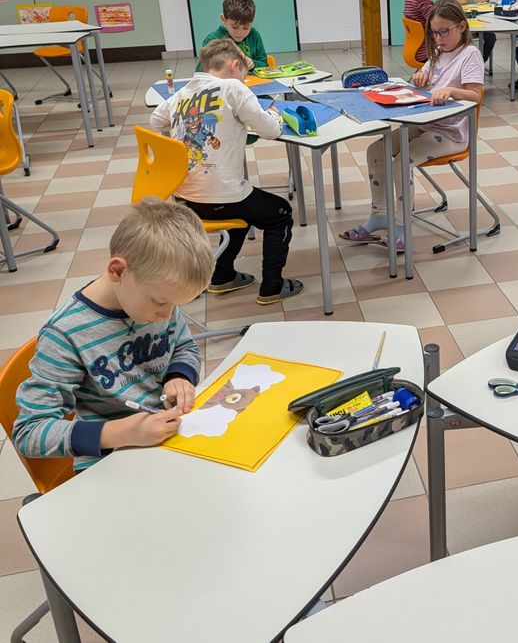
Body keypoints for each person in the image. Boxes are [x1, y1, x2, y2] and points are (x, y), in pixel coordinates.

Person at [12, 199, 213, 471]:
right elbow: (30, 433)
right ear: (118, 271)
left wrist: (178, 376)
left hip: (167, 440)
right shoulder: (66, 333)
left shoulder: (157, 299)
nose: (167, 317)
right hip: (110, 460)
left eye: (175, 306)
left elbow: (183, 347)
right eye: (161, 302)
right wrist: (121, 432)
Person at [150, 38, 302, 303]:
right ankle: (272, 286)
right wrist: (275, 113)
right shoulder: (233, 87)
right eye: (245, 73)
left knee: (242, 212)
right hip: (224, 198)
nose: (245, 79)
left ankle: (222, 277)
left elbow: (156, 120)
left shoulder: (183, 93)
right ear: (235, 65)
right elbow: (270, 130)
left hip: (185, 201)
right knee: (280, 214)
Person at [340, 0, 485, 251]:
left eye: (444, 32)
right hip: (426, 124)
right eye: (434, 33)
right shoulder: (439, 54)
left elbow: (476, 95)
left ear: (462, 27)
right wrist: (419, 78)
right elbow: (425, 79)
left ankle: (402, 226)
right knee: (375, 151)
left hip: (450, 133)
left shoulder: (469, 54)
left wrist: (451, 90)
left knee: (400, 163)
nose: (438, 38)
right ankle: (379, 215)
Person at [196, 0, 268, 72]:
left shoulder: (254, 35)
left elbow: (264, 63)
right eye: (235, 27)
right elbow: (200, 71)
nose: (240, 33)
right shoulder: (213, 39)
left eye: (246, 27)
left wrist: (253, 64)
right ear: (224, 19)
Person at [448, 0, 498, 67]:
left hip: (479, 22)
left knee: (491, 38)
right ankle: (461, 64)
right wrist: (457, 1)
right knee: (464, 41)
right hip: (462, 24)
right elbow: (446, 4)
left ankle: (480, 62)